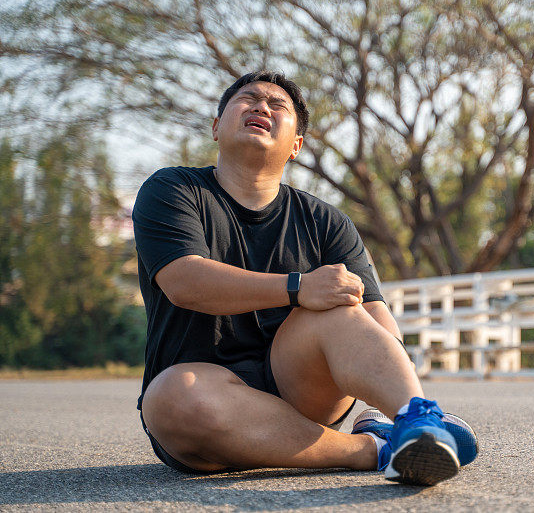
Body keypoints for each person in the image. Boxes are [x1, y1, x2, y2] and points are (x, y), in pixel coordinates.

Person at [132, 70, 478, 486]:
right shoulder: (173, 190)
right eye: (248, 98)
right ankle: (373, 450)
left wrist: (386, 378)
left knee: (339, 307)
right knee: (172, 397)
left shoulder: (325, 221)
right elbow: (184, 281)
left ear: (296, 145)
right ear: (217, 127)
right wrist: (297, 288)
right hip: (207, 394)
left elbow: (374, 316)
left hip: (303, 388)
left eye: (277, 105)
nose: (262, 106)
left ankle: (419, 423)